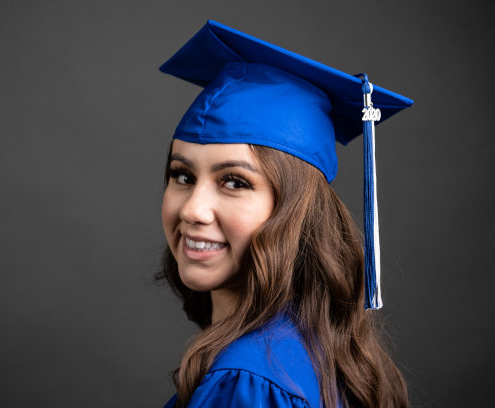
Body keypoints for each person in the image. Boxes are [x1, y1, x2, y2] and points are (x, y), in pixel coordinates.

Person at [157, 20, 413, 408]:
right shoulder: (314, 352)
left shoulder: (247, 383)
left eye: (235, 182)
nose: (192, 209)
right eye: (183, 175)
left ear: (299, 212)